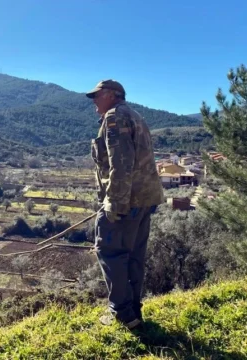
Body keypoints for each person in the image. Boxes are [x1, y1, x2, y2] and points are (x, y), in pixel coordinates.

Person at [86, 80, 164, 330]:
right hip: (143, 201)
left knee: (110, 252)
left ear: (111, 95)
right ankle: (133, 312)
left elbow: (121, 163)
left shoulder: (114, 117)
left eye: (96, 96)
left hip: (126, 202)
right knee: (133, 257)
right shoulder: (136, 116)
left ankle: (122, 314)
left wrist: (113, 204)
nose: (94, 101)